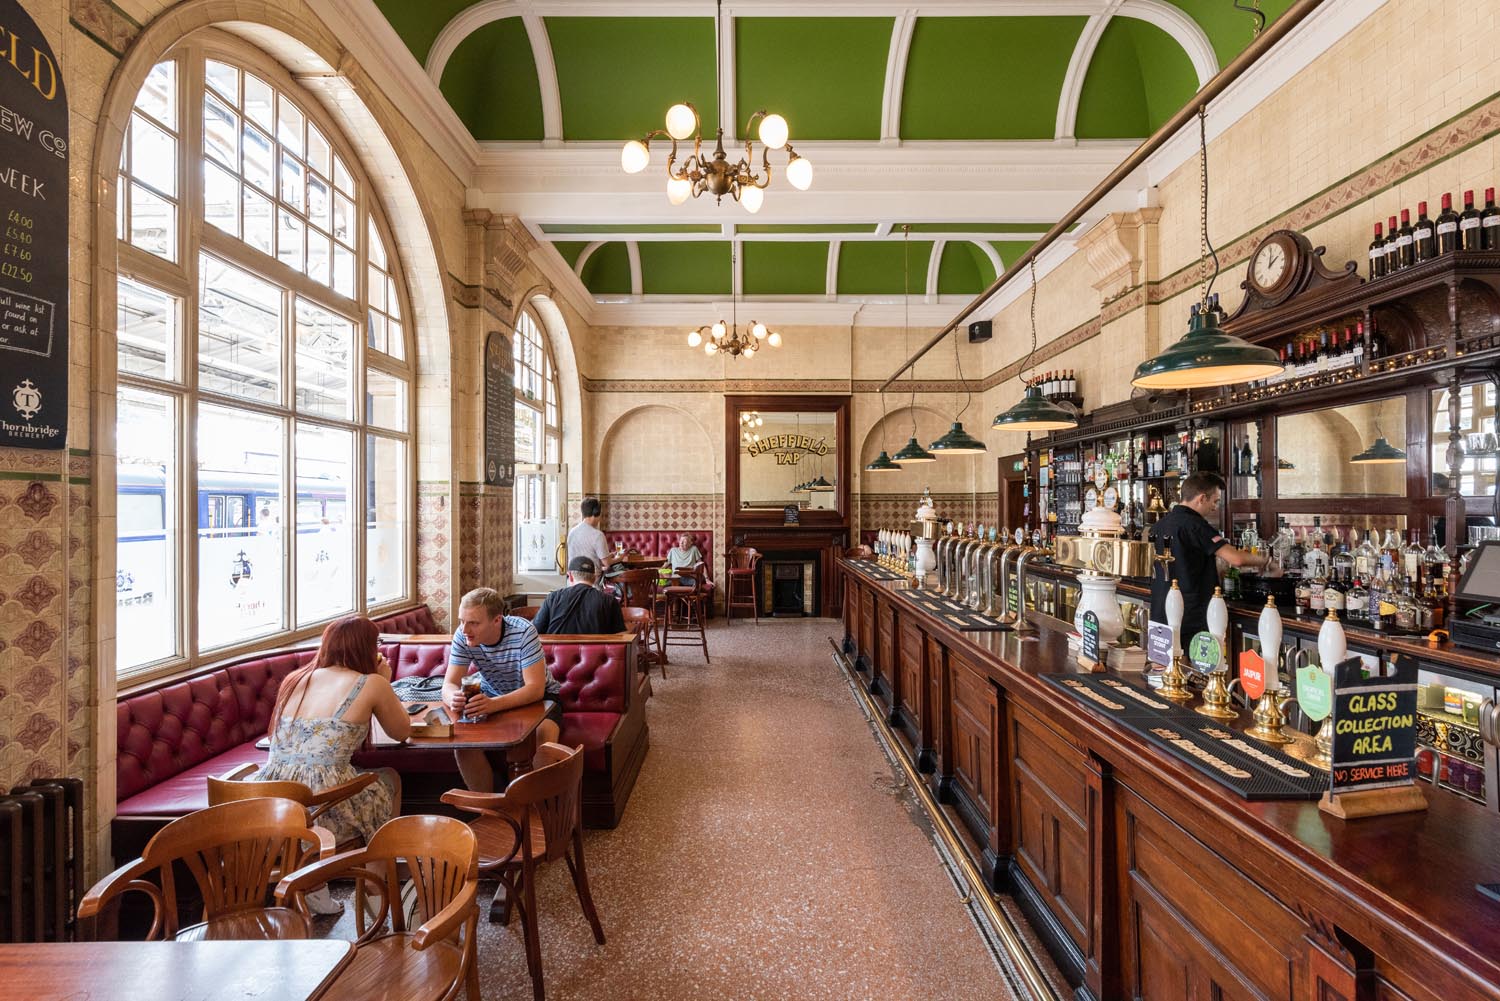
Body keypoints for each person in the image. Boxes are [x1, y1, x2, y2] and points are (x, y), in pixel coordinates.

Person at [256, 615, 409, 913]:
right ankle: (374, 890)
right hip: (321, 804)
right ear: (367, 648)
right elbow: (401, 732)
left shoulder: (294, 679)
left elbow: (273, 735)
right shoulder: (372, 683)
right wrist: (384, 683)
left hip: (271, 797)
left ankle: (315, 887)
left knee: (369, 782)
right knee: (388, 782)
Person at [443, 587, 562, 792]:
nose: (464, 629)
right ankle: (490, 811)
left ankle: (536, 810)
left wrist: (492, 705)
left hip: (540, 698)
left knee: (544, 738)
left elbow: (535, 689)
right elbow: (448, 684)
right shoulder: (463, 636)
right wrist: (453, 697)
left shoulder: (524, 631)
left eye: (473, 623)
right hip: (491, 696)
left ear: (497, 620)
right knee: (463, 747)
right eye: (462, 621)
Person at [1148, 471, 1275, 642]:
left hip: (1160, 609)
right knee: (1191, 665)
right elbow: (1236, 559)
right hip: (1189, 613)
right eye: (1215, 501)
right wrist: (1266, 561)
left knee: (1166, 665)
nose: (1215, 507)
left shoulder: (1159, 525)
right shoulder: (1196, 525)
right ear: (1201, 498)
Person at [533, 556, 627, 635]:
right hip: (594, 656)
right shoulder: (609, 601)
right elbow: (620, 637)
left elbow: (534, 632)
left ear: (570, 576)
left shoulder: (553, 598)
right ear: (594, 578)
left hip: (556, 656)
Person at [566, 497, 610, 588]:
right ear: (596, 513)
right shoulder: (598, 535)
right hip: (591, 584)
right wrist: (620, 558)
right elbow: (607, 563)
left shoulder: (572, 532)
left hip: (572, 582)